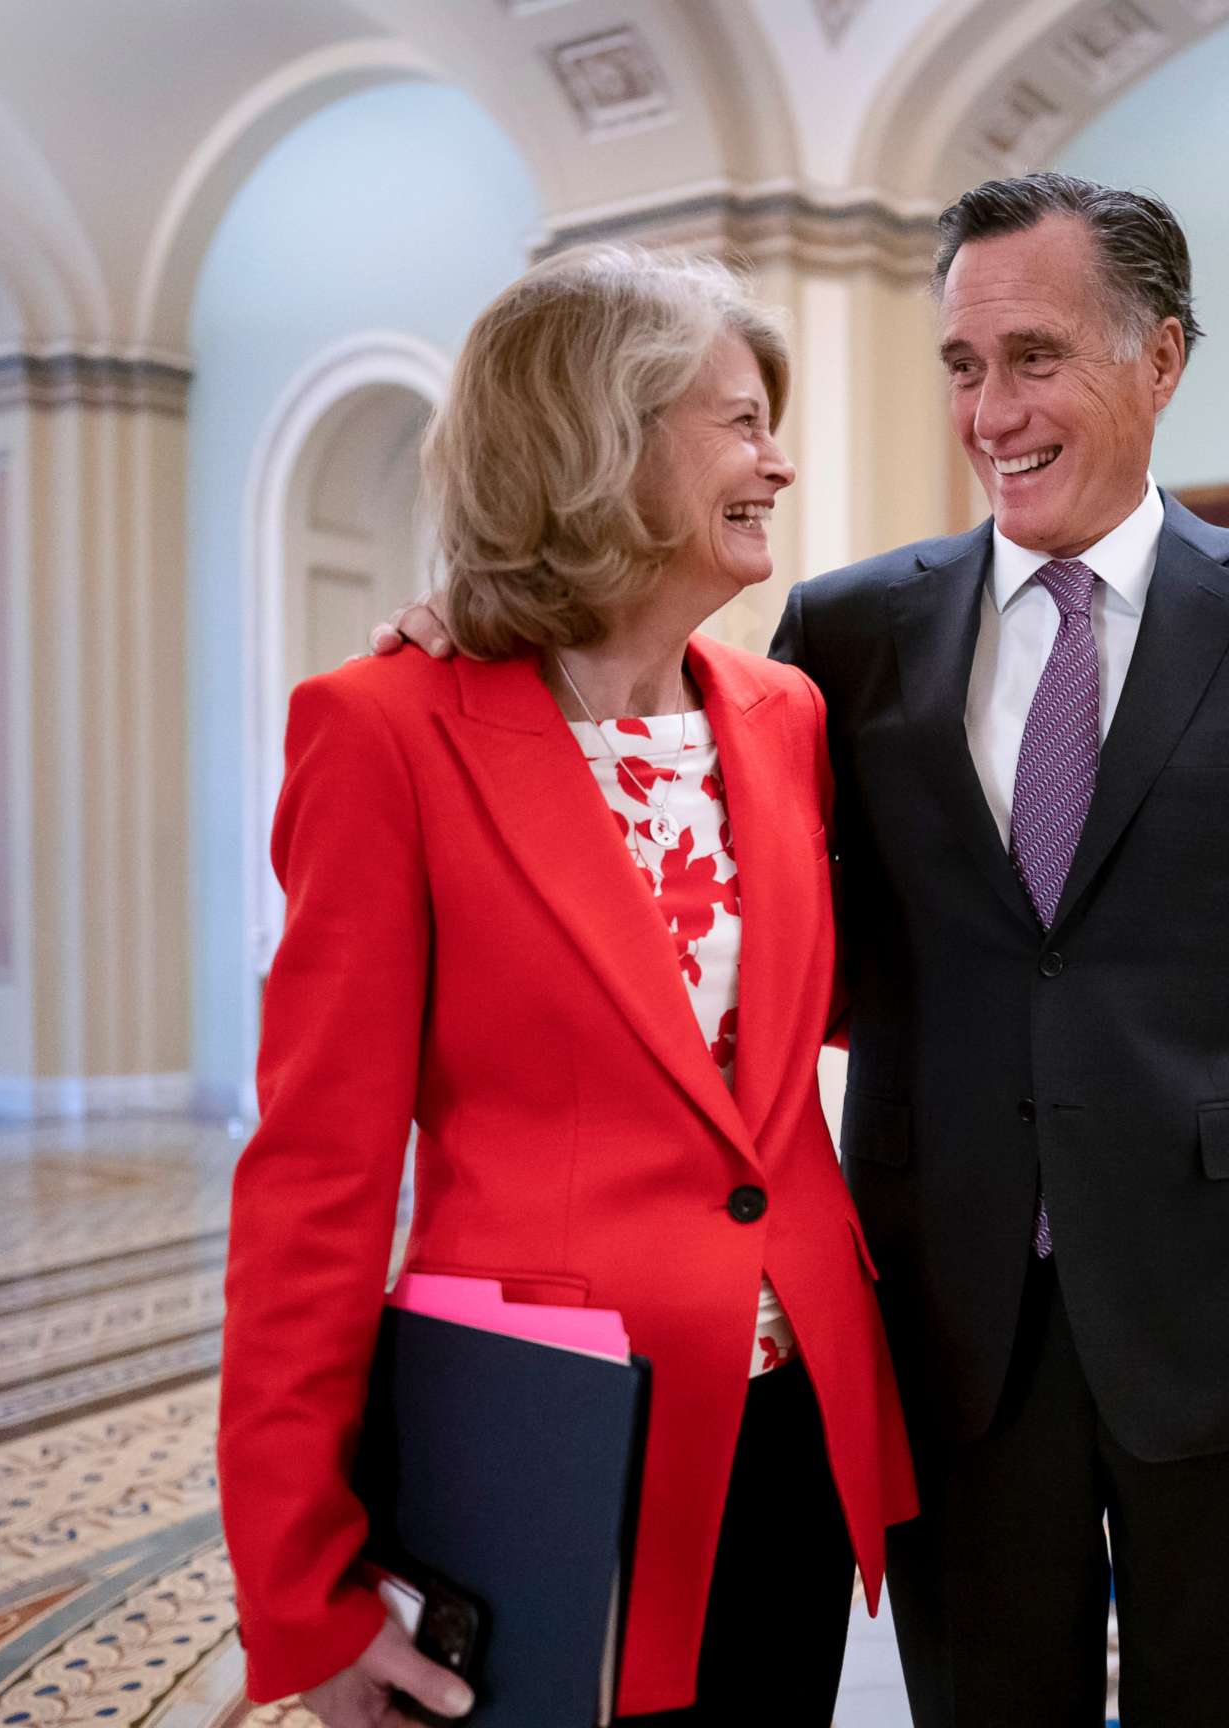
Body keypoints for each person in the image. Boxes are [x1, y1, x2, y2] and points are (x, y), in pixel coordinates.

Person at [378, 173, 1229, 1724]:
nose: (990, 408)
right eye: (962, 365)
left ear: (1159, 361)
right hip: (945, 1322)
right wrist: (483, 626)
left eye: (1035, 358)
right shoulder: (845, 632)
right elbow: (680, 831)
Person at [220, 246, 913, 1728]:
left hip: (792, 1421)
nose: (778, 463)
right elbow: (314, 1186)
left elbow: (804, 1015)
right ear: (603, 444)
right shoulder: (383, 733)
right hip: (549, 1442)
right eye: (739, 423)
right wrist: (303, 1588)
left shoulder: (785, 714)